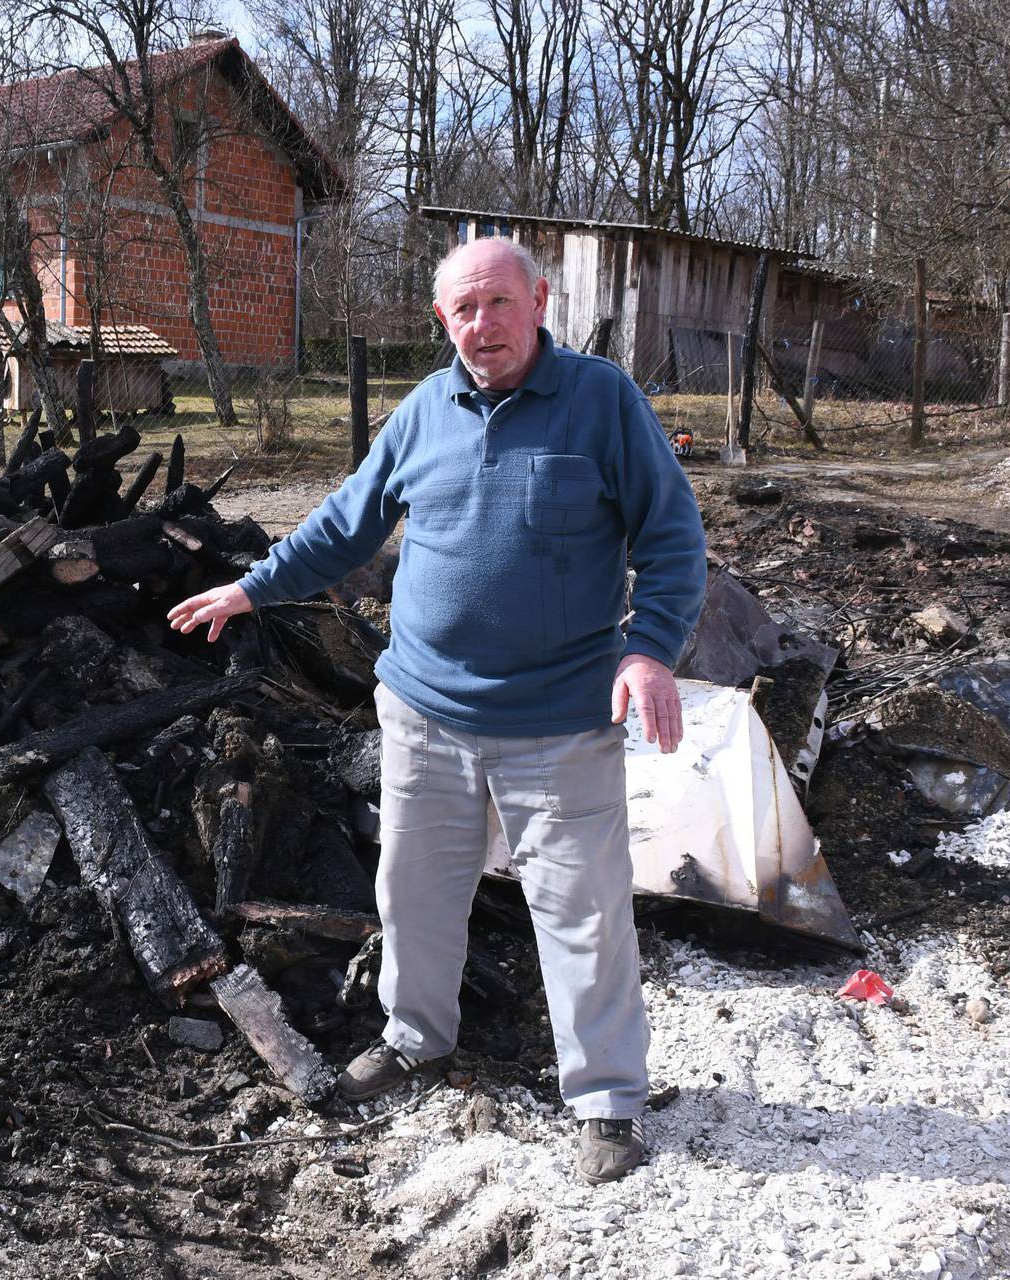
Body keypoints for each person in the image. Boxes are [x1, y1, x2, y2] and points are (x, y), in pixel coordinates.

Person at [166, 236, 707, 1185]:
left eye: (498, 303)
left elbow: (672, 540)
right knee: (412, 896)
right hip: (424, 713)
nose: (481, 325)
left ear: (539, 301)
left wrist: (651, 651)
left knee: (581, 914)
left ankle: (608, 1100)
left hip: (558, 719)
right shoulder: (425, 410)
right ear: (441, 320)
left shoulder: (601, 402)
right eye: (462, 310)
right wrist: (248, 590)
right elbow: (344, 525)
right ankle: (418, 1039)